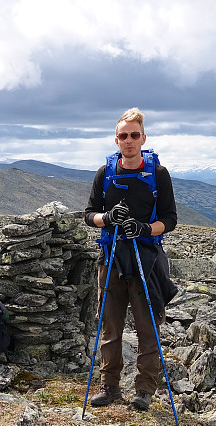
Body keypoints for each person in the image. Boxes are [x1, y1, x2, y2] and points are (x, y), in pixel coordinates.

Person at [84, 107, 178, 410]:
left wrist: (144, 228)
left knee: (148, 325)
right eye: (123, 136)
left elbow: (170, 219)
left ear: (143, 138)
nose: (128, 140)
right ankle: (109, 386)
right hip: (111, 256)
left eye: (133, 135)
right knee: (111, 326)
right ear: (116, 140)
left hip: (146, 258)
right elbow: (89, 215)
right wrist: (107, 218)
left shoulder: (158, 175)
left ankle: (144, 391)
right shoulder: (105, 173)